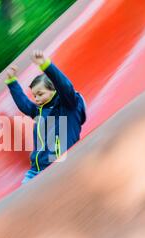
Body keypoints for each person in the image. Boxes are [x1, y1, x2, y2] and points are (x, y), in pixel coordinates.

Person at [5, 50, 87, 185]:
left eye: (40, 94)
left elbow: (64, 86)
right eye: (34, 95)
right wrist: (12, 82)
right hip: (36, 170)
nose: (36, 99)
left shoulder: (68, 106)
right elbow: (24, 104)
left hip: (59, 166)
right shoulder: (39, 111)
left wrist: (45, 65)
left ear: (54, 90)